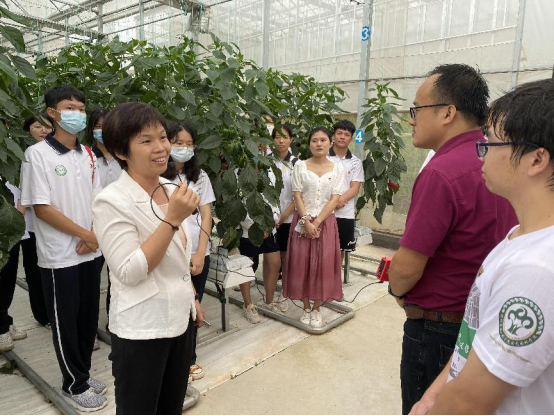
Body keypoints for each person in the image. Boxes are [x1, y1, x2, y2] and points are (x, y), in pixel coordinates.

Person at [411, 79, 554, 416]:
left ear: (536, 160)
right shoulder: (520, 235)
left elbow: (469, 403)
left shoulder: (536, 270)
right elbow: (471, 342)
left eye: (490, 141)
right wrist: (433, 396)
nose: (482, 153)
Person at [386, 64, 518, 415]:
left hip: (438, 329)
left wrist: (397, 291)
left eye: (416, 109)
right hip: (484, 319)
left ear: (447, 112)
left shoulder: (441, 172)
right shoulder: (498, 157)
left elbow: (406, 267)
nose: (411, 119)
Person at [93, 102, 203, 415]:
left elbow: (179, 257)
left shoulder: (171, 187)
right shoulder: (111, 201)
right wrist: (172, 220)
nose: (161, 148)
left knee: (171, 406)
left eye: (162, 137)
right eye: (146, 140)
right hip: (143, 329)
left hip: (180, 320)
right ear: (121, 151)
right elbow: (128, 270)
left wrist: (192, 297)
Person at [20, 85, 106, 412]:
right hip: (60, 255)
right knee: (66, 320)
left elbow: (98, 200)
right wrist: (87, 235)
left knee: (87, 317)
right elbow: (42, 208)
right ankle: (73, 384)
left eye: (81, 109)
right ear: (52, 113)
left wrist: (94, 236)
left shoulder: (87, 155)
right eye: (70, 107)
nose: (78, 114)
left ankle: (82, 373)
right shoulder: (37, 155)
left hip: (90, 249)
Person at [162, 122, 215, 384]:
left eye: (189, 144)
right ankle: (170, 361)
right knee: (173, 305)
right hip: (169, 252)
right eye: (178, 142)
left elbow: (206, 215)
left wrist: (201, 252)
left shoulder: (200, 176)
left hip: (196, 252)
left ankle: (189, 358)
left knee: (195, 306)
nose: (184, 148)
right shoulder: (159, 176)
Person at [285, 127, 346, 329]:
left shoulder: (337, 169)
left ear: (330, 143)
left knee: (323, 265)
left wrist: (317, 222)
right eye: (314, 140)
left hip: (325, 222)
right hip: (302, 221)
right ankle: (305, 307)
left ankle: (317, 308)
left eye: (323, 140)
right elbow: (297, 195)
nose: (319, 144)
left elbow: (335, 199)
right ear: (309, 144)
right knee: (301, 262)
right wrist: (305, 222)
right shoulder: (300, 166)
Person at [237, 144, 282, 323]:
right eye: (253, 147)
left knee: (274, 263)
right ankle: (248, 305)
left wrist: (269, 223)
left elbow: (274, 199)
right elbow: (239, 205)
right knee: (246, 267)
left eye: (261, 148)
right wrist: (253, 225)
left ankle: (269, 300)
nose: (258, 151)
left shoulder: (269, 171)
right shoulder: (238, 173)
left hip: (268, 229)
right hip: (248, 230)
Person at [89, 108, 121, 346]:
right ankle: (88, 329)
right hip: (93, 228)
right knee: (91, 282)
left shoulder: (123, 156)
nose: (101, 131)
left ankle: (115, 323)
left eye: (105, 126)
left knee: (117, 279)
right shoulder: (87, 157)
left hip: (119, 228)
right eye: (97, 126)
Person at [327, 120, 365, 263]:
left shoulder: (356, 162)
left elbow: (355, 188)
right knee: (321, 247)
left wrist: (338, 201)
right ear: (333, 136)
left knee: (339, 251)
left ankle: (334, 276)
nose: (342, 137)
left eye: (347, 135)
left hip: (345, 213)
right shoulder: (323, 157)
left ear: (351, 138)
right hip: (323, 211)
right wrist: (332, 203)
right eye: (339, 133)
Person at [273, 124, 299, 312]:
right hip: (269, 218)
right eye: (277, 137)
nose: (280, 141)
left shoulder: (297, 164)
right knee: (271, 257)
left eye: (285, 137)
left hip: (287, 219)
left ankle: (285, 292)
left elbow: (298, 196)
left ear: (291, 140)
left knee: (286, 256)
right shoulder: (266, 161)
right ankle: (270, 289)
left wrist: (282, 218)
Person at [0, 184, 28, 352]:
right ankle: (1, 328)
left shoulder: (12, 168)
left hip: (10, 229)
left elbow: (22, 189)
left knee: (8, 279)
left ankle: (5, 320)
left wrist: (17, 217)